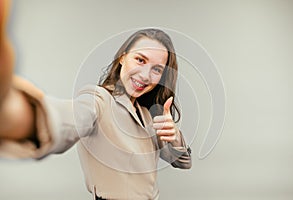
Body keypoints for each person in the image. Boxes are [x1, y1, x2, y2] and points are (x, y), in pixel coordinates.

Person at [0, 1, 191, 199]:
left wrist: (174, 134)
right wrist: (14, 113)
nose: (145, 75)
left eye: (157, 69)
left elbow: (183, 162)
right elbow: (66, 119)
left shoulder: (147, 114)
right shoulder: (98, 100)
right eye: (140, 60)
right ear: (122, 58)